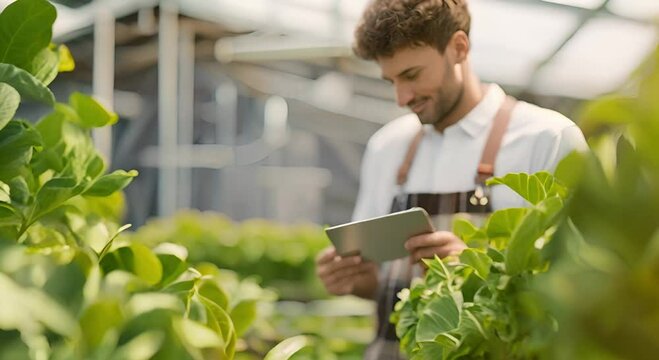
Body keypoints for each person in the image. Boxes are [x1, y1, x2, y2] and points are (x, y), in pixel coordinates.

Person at [315, 0, 588, 359]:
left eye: (412, 75)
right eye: (391, 80)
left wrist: (478, 271)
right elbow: (385, 284)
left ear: (459, 48)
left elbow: (583, 285)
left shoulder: (547, 139)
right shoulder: (387, 148)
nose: (402, 98)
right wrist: (357, 281)